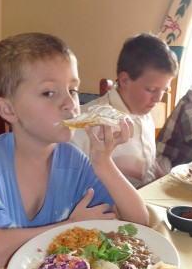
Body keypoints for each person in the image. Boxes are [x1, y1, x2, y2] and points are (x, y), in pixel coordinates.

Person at [0, 32, 148, 269]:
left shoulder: (75, 160)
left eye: (73, 89)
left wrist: (103, 162)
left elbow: (137, 223)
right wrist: (69, 227)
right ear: (8, 110)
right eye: (48, 92)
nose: (70, 103)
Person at [72, 33, 179, 189]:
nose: (158, 99)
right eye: (151, 89)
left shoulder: (144, 112)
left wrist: (160, 174)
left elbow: (147, 162)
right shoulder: (86, 125)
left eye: (164, 90)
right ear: (124, 80)